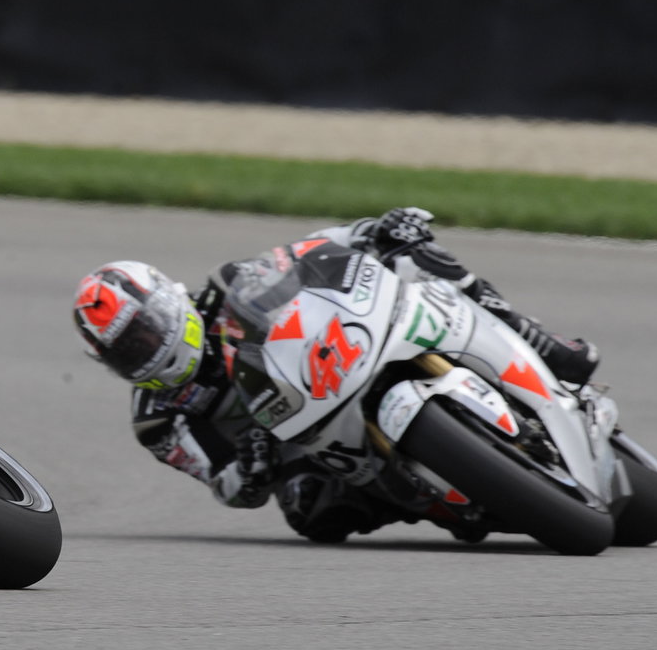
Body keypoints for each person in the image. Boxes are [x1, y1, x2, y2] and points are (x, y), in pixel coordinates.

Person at [71, 207, 599, 544]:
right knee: (310, 512)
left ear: (170, 298)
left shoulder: (228, 288)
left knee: (425, 263)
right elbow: (221, 484)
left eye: (147, 329)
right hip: (296, 446)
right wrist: (249, 470)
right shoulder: (157, 419)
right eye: (127, 350)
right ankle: (444, 498)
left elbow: (308, 254)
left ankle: (546, 346)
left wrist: (373, 232)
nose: (147, 348)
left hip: (336, 365)